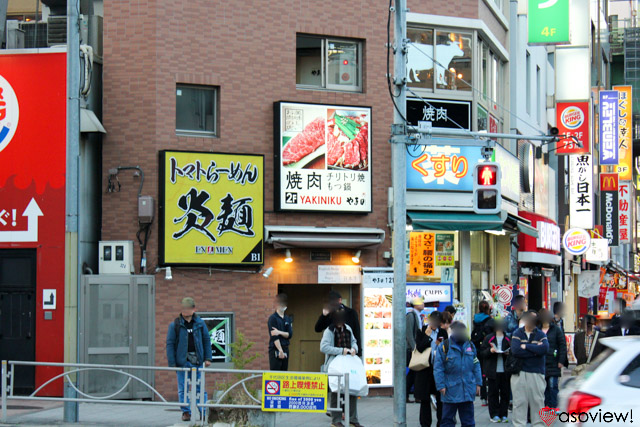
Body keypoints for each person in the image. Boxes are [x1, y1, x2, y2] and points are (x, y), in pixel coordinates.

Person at [166, 297, 212, 422]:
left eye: (189, 308)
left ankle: (203, 412)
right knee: (183, 388)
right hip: (182, 361)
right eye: (184, 308)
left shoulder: (200, 323)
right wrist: (172, 362)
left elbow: (206, 340)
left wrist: (208, 358)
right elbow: (170, 344)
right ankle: (186, 412)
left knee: (200, 388)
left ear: (194, 309)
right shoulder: (175, 325)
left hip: (197, 360)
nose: (186, 311)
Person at [433, 322, 482, 427]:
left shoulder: (470, 346)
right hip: (450, 389)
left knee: (468, 422)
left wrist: (478, 383)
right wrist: (441, 386)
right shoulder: (444, 347)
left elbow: (476, 364)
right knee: (447, 421)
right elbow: (438, 368)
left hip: (467, 389)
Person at [320, 309, 364, 427]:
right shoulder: (329, 331)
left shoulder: (348, 328)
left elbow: (354, 341)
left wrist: (354, 348)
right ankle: (336, 420)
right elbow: (323, 347)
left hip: (348, 363)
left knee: (353, 390)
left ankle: (353, 419)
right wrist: (341, 351)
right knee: (336, 391)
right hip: (334, 364)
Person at [510, 310, 549, 427]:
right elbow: (516, 351)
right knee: (519, 403)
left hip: (536, 372)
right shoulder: (517, 333)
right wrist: (535, 350)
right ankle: (519, 424)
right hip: (519, 372)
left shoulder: (541, 334)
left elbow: (544, 349)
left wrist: (526, 346)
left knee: (538, 402)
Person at [414, 311, 448, 427]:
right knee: (424, 400)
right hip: (425, 369)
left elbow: (446, 348)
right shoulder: (422, 331)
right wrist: (427, 337)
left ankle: (441, 423)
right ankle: (425, 424)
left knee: (441, 399)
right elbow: (419, 348)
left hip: (438, 369)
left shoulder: (443, 332)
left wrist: (440, 346)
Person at [480, 319, 511, 423]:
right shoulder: (489, 338)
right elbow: (482, 353)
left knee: (505, 393)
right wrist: (490, 350)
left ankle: (504, 414)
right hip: (492, 371)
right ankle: (494, 414)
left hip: (505, 371)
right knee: (493, 393)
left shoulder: (508, 338)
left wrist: (508, 353)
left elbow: (513, 352)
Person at [315, 291, 362, 356]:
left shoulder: (351, 313)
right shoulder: (329, 314)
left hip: (349, 353)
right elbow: (318, 329)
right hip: (334, 353)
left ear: (340, 300)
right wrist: (323, 316)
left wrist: (358, 351)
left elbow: (356, 332)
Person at [538, 309, 567, 409]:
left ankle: (554, 405)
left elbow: (562, 345)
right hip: (541, 362)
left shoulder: (556, 330)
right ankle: (546, 405)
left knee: (553, 385)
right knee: (543, 386)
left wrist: (561, 360)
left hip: (554, 361)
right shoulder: (537, 330)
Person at [471, 300, 492, 406]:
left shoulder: (475, 318)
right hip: (486, 347)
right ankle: (487, 395)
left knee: (479, 370)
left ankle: (482, 396)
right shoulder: (489, 320)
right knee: (487, 371)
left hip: (476, 347)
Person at [268, 293, 292, 371]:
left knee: (284, 373)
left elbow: (289, 334)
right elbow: (274, 336)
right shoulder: (273, 318)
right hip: (275, 349)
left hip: (286, 348)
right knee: (276, 374)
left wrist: (279, 332)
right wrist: (280, 350)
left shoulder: (287, 318)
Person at [406, 297, 425, 403]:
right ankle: (415, 395)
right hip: (412, 349)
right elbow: (409, 334)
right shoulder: (411, 315)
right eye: (421, 302)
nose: (423, 304)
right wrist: (414, 348)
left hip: (417, 348)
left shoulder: (418, 316)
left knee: (414, 372)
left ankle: (413, 395)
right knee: (415, 372)